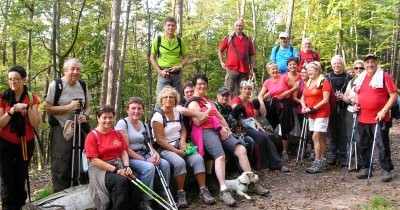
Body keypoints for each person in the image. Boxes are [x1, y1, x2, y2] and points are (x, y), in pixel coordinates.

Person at [187, 74, 268, 207]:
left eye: (204, 83)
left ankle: (252, 182)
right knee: (220, 156)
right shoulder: (194, 103)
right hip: (205, 131)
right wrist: (209, 113)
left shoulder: (208, 101)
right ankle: (224, 190)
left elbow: (220, 117)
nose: (202, 86)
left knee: (241, 149)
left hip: (220, 130)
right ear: (195, 85)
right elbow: (198, 121)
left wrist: (227, 130)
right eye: (199, 84)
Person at [152, 86, 215, 208]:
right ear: (161, 100)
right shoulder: (158, 117)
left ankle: (203, 190)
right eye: (166, 97)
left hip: (180, 144)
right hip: (165, 148)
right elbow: (159, 140)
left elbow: (183, 129)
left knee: (197, 159)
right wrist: (176, 151)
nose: (169, 99)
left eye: (172, 97)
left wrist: (183, 140)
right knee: (180, 162)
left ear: (176, 99)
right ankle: (180, 193)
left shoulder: (177, 112)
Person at [115, 97, 170, 210]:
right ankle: (144, 201)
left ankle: (163, 195)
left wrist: (156, 154)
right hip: (129, 156)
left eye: (139, 108)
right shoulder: (122, 123)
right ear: (127, 110)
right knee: (149, 167)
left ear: (142, 110)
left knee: (165, 164)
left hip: (145, 153)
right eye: (133, 108)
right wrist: (145, 160)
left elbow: (148, 144)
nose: (136, 111)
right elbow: (125, 148)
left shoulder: (144, 125)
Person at [46, 58, 91, 192]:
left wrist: (86, 116)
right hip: (61, 127)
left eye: (78, 69)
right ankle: (60, 196)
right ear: (65, 71)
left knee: (80, 161)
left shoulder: (82, 85)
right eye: (73, 69)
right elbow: (48, 109)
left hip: (79, 128)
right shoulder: (57, 84)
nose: (76, 72)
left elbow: (88, 107)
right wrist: (68, 107)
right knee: (61, 162)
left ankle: (80, 192)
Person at [0, 66, 40, 210]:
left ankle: (20, 206)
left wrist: (27, 108)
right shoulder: (3, 97)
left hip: (26, 142)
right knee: (7, 178)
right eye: (10, 79)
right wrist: (11, 112)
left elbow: (36, 123)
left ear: (24, 80)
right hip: (5, 143)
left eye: (16, 79)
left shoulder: (31, 97)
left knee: (20, 176)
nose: (13, 82)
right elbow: (0, 123)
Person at [85, 106, 140, 209]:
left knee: (134, 177)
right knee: (120, 181)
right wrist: (116, 170)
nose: (108, 120)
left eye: (110, 117)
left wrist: (127, 166)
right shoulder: (92, 136)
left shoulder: (116, 133)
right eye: (104, 117)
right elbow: (94, 160)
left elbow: (123, 151)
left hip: (118, 165)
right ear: (98, 118)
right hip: (100, 169)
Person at [353, 54, 397, 182]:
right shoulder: (360, 78)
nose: (370, 64)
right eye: (367, 62)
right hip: (363, 117)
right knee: (364, 144)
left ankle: (386, 169)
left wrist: (384, 110)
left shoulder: (384, 76)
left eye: (372, 62)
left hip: (380, 117)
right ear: (364, 64)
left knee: (382, 144)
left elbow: (393, 95)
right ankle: (366, 168)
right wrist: (355, 105)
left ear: (376, 63)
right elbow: (357, 96)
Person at [231, 81, 291, 172]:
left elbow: (252, 117)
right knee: (260, 137)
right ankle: (261, 165)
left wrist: (258, 124)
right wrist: (240, 109)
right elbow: (235, 110)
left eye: (249, 89)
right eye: (245, 89)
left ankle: (277, 164)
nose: (247, 91)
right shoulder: (236, 99)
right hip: (240, 126)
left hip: (250, 124)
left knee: (265, 136)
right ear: (241, 90)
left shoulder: (250, 103)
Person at [257, 62, 298, 161]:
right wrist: (261, 103)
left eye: (276, 68)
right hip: (274, 104)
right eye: (272, 69)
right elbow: (260, 95)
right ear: (268, 71)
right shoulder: (267, 82)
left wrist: (287, 92)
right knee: (255, 102)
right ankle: (256, 122)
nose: (275, 71)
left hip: (285, 103)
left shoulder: (284, 78)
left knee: (284, 128)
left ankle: (284, 151)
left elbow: (296, 86)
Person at [300, 62, 331, 174]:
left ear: (317, 71)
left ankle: (317, 162)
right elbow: (303, 97)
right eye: (308, 71)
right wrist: (304, 107)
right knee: (321, 137)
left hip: (321, 112)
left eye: (311, 71)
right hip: (311, 113)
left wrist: (313, 108)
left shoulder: (324, 81)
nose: (309, 73)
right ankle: (323, 160)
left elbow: (325, 99)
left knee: (315, 137)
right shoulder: (308, 82)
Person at [150, 17, 188, 95]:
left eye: (173, 25)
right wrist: (159, 72)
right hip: (163, 73)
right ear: (164, 27)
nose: (171, 27)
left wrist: (180, 66)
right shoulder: (158, 40)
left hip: (177, 73)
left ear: (175, 27)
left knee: (178, 99)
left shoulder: (180, 41)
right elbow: (152, 58)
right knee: (161, 98)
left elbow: (186, 57)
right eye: (168, 25)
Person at [326, 55, 352, 166]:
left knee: (343, 132)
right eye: (335, 63)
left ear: (342, 64)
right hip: (331, 108)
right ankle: (332, 154)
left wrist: (345, 97)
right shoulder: (327, 77)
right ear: (332, 65)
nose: (337, 65)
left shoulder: (349, 78)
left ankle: (343, 155)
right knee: (331, 132)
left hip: (344, 108)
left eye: (339, 63)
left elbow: (353, 93)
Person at [218, 19, 255, 96]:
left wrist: (251, 69)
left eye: (240, 25)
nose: (239, 27)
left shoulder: (248, 39)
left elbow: (252, 54)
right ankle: (228, 107)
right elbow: (220, 50)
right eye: (237, 25)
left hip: (244, 70)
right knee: (229, 90)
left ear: (243, 26)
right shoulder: (228, 38)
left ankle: (240, 107)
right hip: (231, 69)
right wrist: (221, 62)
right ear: (234, 26)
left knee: (243, 92)